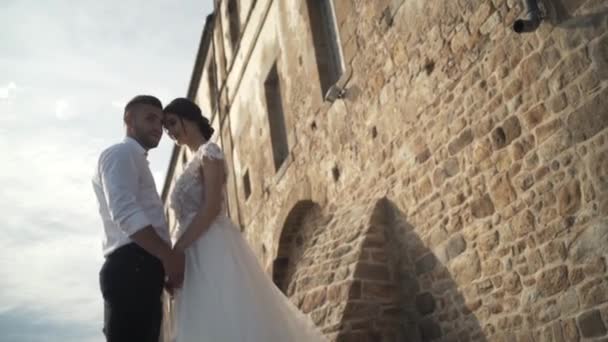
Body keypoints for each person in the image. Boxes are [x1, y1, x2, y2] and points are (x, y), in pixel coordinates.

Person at [163, 97, 327, 341]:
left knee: (226, 311)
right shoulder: (191, 164)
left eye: (172, 124)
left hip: (210, 245)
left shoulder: (210, 152)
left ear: (188, 118)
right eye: (166, 128)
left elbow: (211, 208)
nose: (170, 133)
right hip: (192, 251)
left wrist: (179, 248)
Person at [92, 95, 185, 341]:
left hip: (141, 266)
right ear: (129, 120)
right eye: (150, 118)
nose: (158, 127)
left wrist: (161, 266)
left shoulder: (135, 159)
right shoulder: (120, 154)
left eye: (161, 121)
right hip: (131, 266)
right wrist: (167, 257)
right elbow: (124, 212)